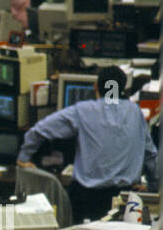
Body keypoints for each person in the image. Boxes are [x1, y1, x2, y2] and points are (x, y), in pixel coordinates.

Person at [17, 66, 157, 222]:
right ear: (124, 88)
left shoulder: (83, 111)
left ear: (95, 87)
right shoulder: (135, 112)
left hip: (86, 201)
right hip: (125, 201)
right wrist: (152, 187)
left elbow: (38, 131)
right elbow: (151, 154)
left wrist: (24, 158)